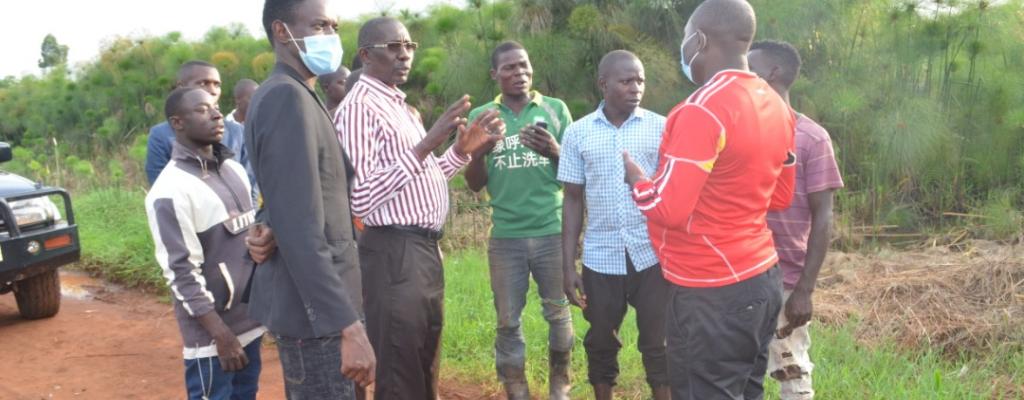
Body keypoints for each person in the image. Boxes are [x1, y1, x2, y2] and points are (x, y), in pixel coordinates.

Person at [623, 0, 797, 398]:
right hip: (762, 279)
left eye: (685, 40)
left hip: (711, 290)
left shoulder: (701, 110)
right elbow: (781, 196)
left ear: (698, 40)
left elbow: (668, 208)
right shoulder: (777, 105)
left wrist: (637, 180)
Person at [339, 17, 504, 400]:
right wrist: (425, 145)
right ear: (366, 55)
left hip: (424, 251)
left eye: (409, 46)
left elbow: (421, 178)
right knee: (399, 370)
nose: (405, 55)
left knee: (423, 363)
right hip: (393, 253)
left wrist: (460, 152)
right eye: (393, 47)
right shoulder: (359, 108)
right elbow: (360, 197)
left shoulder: (400, 107)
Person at [244, 0, 376, 398]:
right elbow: (302, 230)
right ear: (282, 32)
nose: (332, 37)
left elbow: (288, 198)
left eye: (334, 26)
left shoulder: (300, 93)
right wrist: (346, 325)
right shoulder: (286, 98)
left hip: (324, 311)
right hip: (318, 321)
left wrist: (269, 220)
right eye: (320, 26)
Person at [464, 41, 574, 400]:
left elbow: (575, 177)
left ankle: (560, 386)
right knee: (507, 321)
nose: (519, 73)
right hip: (506, 236)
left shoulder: (555, 110)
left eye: (524, 66)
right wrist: (479, 153)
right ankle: (517, 391)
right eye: (509, 68)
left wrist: (554, 151)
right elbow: (474, 184)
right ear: (494, 74)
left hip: (552, 231)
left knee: (558, 314)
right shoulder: (482, 116)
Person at [560, 50, 670, 400]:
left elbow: (674, 191)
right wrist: (568, 267)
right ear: (603, 84)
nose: (636, 87)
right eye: (626, 81)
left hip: (653, 254)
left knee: (659, 340)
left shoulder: (662, 127)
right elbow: (573, 200)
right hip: (601, 256)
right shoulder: (577, 134)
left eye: (640, 80)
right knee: (601, 339)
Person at [145, 87, 264, 400]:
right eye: (201, 109)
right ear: (178, 123)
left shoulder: (234, 169)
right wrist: (220, 335)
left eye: (215, 106)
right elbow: (181, 273)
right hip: (214, 339)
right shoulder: (170, 191)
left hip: (250, 323)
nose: (215, 114)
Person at [749, 39, 844, 400]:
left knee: (791, 369)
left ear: (773, 73)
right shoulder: (741, 130)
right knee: (742, 368)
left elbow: (824, 216)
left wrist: (805, 289)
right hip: (740, 273)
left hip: (785, 278)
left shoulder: (811, 137)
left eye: (749, 67)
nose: (742, 74)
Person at [145, 61, 247, 186]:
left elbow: (249, 181)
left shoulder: (236, 132)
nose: (212, 90)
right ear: (181, 87)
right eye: (203, 83)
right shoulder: (161, 135)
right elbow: (159, 185)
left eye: (217, 85)